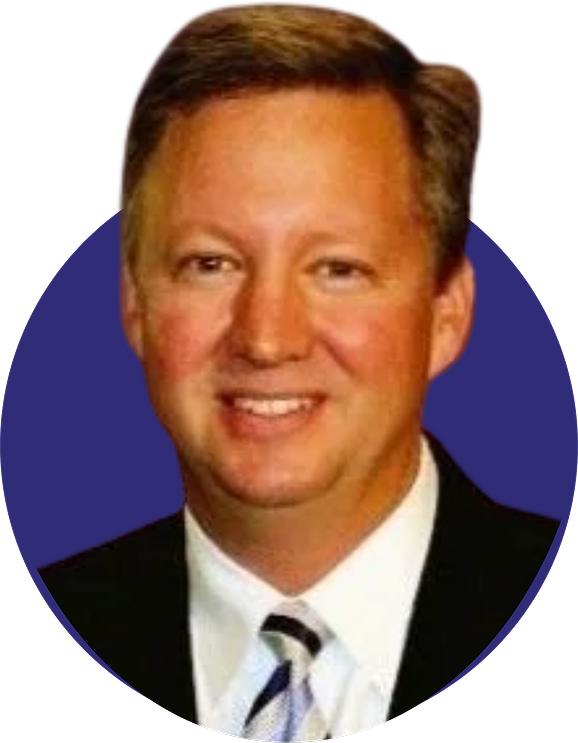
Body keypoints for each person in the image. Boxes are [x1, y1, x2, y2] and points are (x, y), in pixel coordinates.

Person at [40, 3, 558, 737]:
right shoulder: (71, 606)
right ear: (134, 304)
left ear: (447, 315)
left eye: (337, 268)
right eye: (211, 263)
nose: (266, 338)